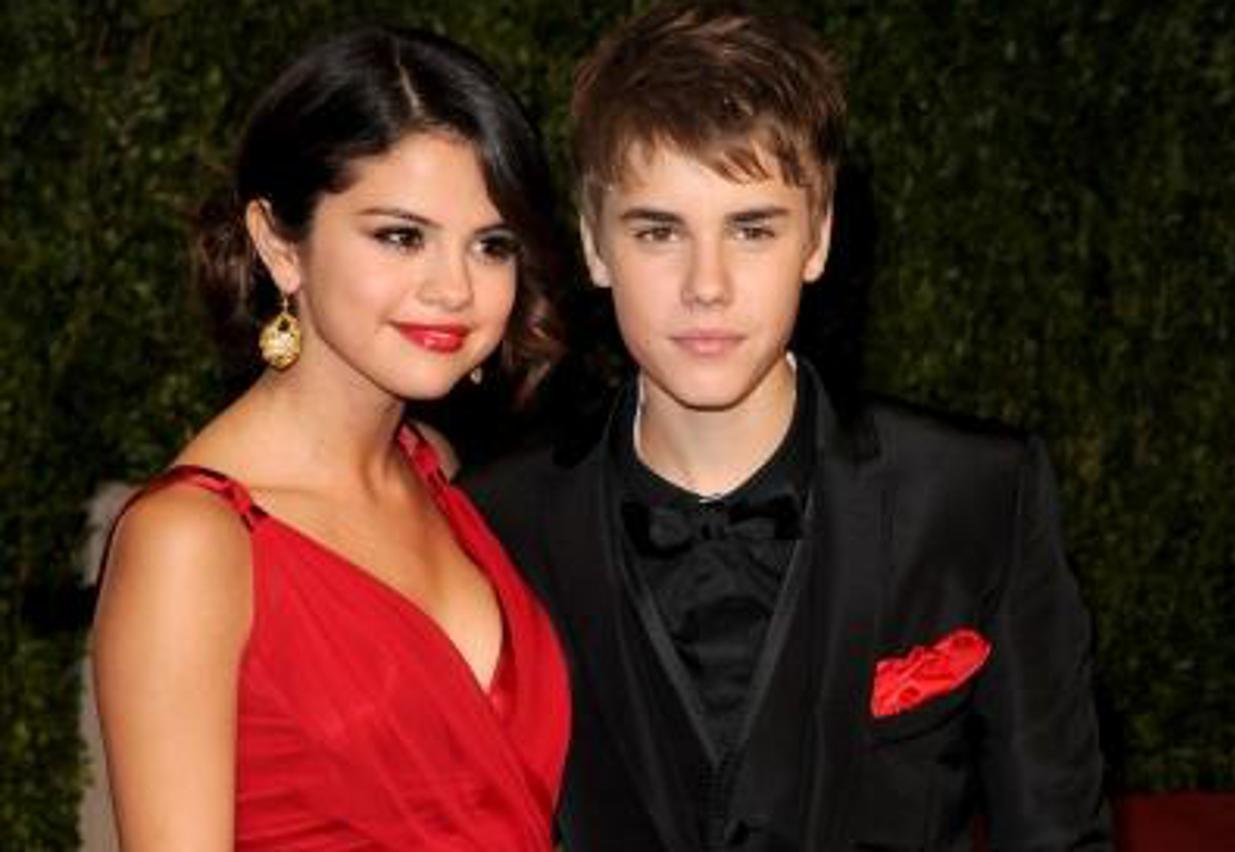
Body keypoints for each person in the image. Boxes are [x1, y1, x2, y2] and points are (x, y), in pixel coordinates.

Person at [463, 3, 1111, 850]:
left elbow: (1057, 836)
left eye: (753, 229)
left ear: (819, 237)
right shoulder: (494, 520)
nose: (708, 284)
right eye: (659, 231)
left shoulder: (977, 493)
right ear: (593, 243)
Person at [92, 26, 569, 850]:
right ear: (281, 244)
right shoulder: (192, 543)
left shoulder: (433, 469)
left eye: (491, 246)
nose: (453, 288)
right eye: (400, 236)